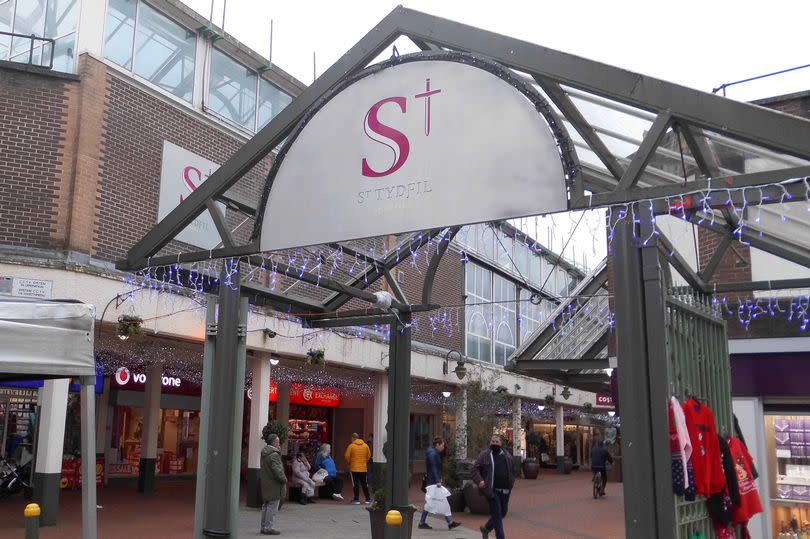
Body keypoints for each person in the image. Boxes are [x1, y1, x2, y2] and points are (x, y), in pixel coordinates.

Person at [472, 434, 515, 539]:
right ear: (490, 443)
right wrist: (480, 480)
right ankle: (500, 537)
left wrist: (511, 482)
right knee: (497, 515)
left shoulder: (507, 455)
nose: (494, 443)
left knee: (503, 513)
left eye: (497, 442)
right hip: (492, 490)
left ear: (501, 443)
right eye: (493, 442)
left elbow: (513, 470)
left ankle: (486, 528)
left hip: (505, 490)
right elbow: (475, 469)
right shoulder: (485, 455)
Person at [418, 437, 461, 530]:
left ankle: (448, 522)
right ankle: (449, 522)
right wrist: (438, 480)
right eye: (442, 445)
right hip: (433, 482)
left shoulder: (432, 453)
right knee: (438, 502)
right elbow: (434, 467)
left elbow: (433, 468)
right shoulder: (434, 454)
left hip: (432, 482)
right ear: (437, 445)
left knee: (432, 502)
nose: (443, 447)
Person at [259, 433, 286, 536]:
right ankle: (268, 527)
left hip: (266, 482)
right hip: (274, 484)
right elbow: (277, 470)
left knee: (266, 505)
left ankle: (263, 526)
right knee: (272, 507)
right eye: (278, 441)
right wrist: (284, 479)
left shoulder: (265, 453)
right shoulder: (274, 455)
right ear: (274, 442)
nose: (279, 443)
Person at [344, 432, 371, 505]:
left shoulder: (351, 446)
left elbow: (347, 456)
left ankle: (356, 499)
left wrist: (349, 463)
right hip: (363, 468)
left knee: (355, 484)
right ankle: (368, 499)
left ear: (353, 438)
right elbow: (369, 455)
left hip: (354, 468)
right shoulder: (365, 446)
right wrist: (364, 461)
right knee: (364, 483)